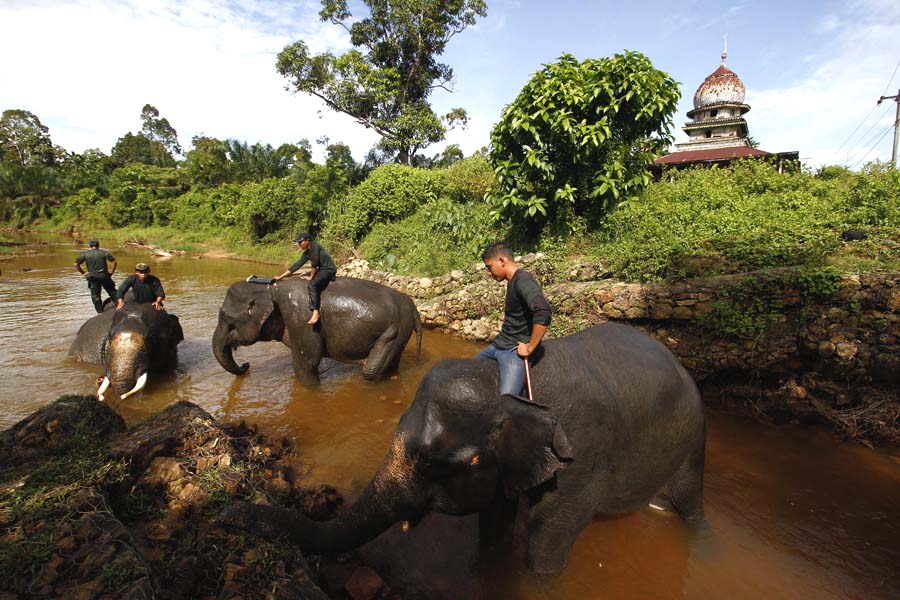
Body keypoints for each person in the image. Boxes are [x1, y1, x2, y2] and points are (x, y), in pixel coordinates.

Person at [476, 242, 552, 396]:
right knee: (467, 370)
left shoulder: (523, 280)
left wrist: (530, 347)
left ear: (502, 261)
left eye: (489, 267)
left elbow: (543, 311)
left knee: (507, 401)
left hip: (513, 351)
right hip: (499, 344)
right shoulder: (512, 281)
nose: (489, 273)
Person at [273, 232, 336, 325]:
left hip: (328, 269)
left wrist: (311, 277)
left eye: (300, 242)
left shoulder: (315, 246)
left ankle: (315, 312)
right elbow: (296, 265)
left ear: (308, 241)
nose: (299, 244)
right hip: (321, 269)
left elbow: (314, 263)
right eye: (298, 242)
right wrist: (280, 277)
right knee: (302, 274)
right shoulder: (307, 253)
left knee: (312, 285)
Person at [74, 239, 117, 313]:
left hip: (93, 277)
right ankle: (119, 304)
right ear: (98, 245)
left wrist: (83, 273)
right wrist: (112, 272)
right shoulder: (104, 253)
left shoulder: (85, 254)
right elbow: (114, 262)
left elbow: (76, 264)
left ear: (90, 246)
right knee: (112, 292)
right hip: (104, 276)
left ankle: (100, 312)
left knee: (96, 296)